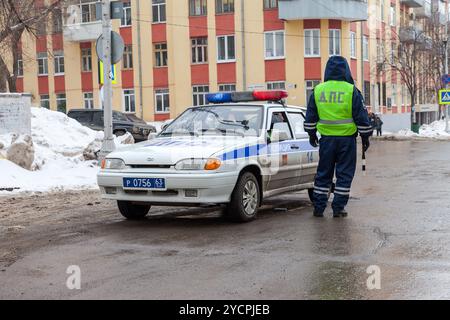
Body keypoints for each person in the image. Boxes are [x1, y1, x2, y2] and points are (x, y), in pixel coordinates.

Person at [304, 56, 373, 218]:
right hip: (346, 140)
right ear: (346, 70)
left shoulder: (318, 90)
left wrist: (311, 134)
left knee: (323, 173)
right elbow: (361, 118)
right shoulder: (351, 91)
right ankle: (338, 208)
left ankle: (319, 207)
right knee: (344, 174)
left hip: (326, 140)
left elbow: (310, 117)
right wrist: (365, 138)